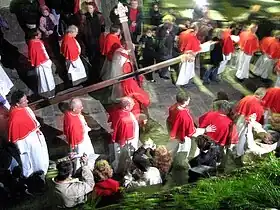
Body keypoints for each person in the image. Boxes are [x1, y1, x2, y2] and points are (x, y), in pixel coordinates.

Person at [8, 90, 49, 178]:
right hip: (29, 144)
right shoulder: (15, 119)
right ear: (17, 104)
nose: (27, 101)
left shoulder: (23, 108)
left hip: (34, 138)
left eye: (26, 99)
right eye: (24, 101)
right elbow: (17, 139)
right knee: (35, 159)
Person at [167, 91, 216, 155]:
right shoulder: (186, 117)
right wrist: (205, 130)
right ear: (185, 102)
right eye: (188, 100)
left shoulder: (173, 107)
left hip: (173, 127)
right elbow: (191, 132)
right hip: (181, 134)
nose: (189, 101)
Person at [110, 46, 150, 118]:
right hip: (133, 108)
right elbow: (140, 97)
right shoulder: (129, 81)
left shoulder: (119, 53)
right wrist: (146, 100)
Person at [108, 97, 139, 171]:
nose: (133, 105)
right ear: (126, 107)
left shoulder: (116, 112)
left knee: (118, 156)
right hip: (125, 143)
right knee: (124, 158)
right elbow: (125, 133)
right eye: (132, 105)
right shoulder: (126, 120)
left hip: (118, 141)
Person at [63, 98, 96, 168]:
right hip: (80, 143)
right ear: (74, 109)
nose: (82, 108)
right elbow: (78, 134)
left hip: (81, 139)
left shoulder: (69, 113)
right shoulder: (73, 123)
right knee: (82, 156)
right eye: (80, 107)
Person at [28, 30, 56, 98]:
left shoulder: (32, 42)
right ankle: (49, 94)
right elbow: (41, 54)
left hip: (41, 64)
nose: (41, 34)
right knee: (47, 80)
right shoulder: (36, 43)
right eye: (39, 33)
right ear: (36, 36)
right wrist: (48, 61)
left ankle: (47, 93)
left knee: (43, 80)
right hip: (43, 65)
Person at [81, 2, 104, 67]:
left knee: (98, 50)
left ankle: (99, 63)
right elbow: (83, 27)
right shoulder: (85, 16)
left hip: (98, 35)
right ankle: (93, 64)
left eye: (90, 8)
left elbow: (102, 24)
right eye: (88, 8)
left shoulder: (98, 15)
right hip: (89, 36)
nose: (89, 9)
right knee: (91, 50)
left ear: (94, 8)